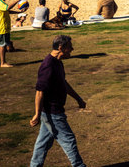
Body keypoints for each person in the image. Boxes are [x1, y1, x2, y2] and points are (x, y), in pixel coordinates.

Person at [30, 35, 87, 167]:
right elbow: (39, 92)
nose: (72, 49)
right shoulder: (48, 65)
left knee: (42, 144)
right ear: (61, 48)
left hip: (50, 113)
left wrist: (78, 99)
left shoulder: (57, 63)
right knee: (69, 140)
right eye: (69, 47)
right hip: (53, 112)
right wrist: (37, 114)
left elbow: (64, 84)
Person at [0, 0, 25, 67]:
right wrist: (17, 0)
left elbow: (7, 10)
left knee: (1, 44)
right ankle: (3, 63)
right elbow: (8, 7)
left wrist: (18, 12)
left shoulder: (0, 2)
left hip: (4, 26)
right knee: (3, 44)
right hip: (2, 26)